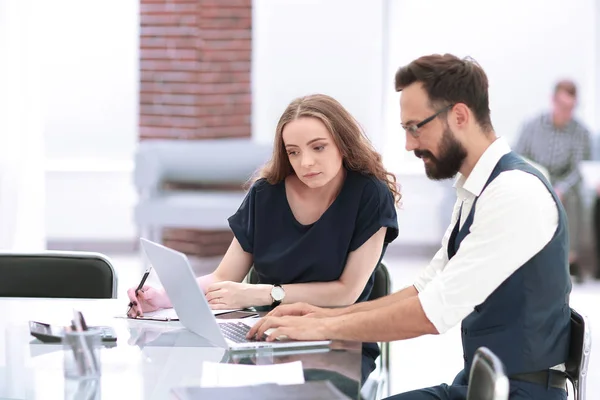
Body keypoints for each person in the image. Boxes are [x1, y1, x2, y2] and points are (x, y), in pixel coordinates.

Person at [248, 54, 572, 400]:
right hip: (478, 385)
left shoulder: (513, 193)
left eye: (416, 127)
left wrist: (321, 326)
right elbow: (423, 290)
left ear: (459, 116)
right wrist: (318, 315)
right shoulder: (477, 189)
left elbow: (431, 314)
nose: (409, 144)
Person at [127, 93, 400, 384]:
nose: (306, 162)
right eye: (293, 152)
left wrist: (264, 294)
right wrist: (165, 297)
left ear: (343, 144)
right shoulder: (265, 194)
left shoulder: (370, 194)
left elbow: (346, 292)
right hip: (266, 336)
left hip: (337, 340)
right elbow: (223, 276)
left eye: (318, 147)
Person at [514, 79, 592, 282]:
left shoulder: (580, 132)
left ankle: (569, 259)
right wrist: (538, 183)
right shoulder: (532, 126)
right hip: (535, 177)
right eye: (563, 106)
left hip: (563, 182)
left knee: (574, 199)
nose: (567, 111)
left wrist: (561, 188)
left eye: (571, 107)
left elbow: (578, 168)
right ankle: (524, 258)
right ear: (553, 100)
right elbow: (518, 156)